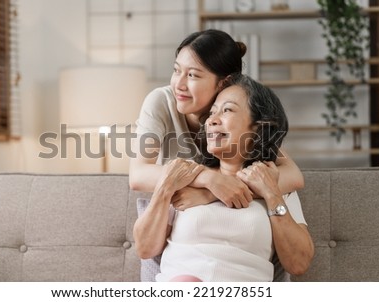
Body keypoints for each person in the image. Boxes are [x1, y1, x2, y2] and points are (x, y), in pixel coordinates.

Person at [133, 73, 315, 282]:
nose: (211, 120)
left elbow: (299, 263)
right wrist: (165, 188)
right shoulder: (188, 177)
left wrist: (272, 194)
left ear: (257, 126)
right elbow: (145, 248)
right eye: (211, 113)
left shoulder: (276, 183)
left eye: (227, 110)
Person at [129, 29, 304, 211]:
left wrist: (211, 194)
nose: (179, 85)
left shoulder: (236, 112)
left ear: (223, 83)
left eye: (192, 75)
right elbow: (138, 175)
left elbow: (293, 175)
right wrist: (210, 179)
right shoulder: (161, 101)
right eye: (176, 70)